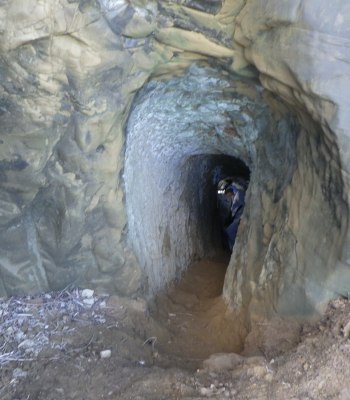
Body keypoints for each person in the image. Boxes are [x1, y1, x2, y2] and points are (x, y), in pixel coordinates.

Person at [217, 178, 246, 251]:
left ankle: (234, 248)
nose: (229, 197)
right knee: (228, 230)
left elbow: (238, 208)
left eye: (229, 195)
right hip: (236, 215)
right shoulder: (231, 192)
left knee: (230, 230)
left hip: (240, 215)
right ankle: (232, 248)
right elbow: (218, 191)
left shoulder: (239, 193)